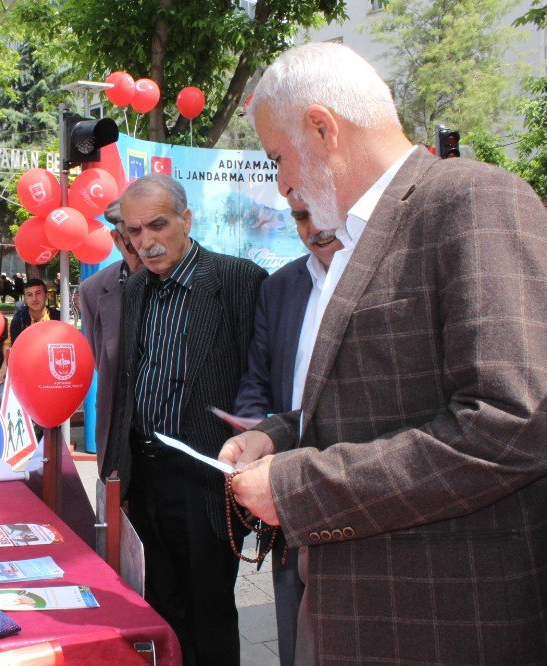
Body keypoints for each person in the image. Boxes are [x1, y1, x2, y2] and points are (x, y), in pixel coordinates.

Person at [218, 42, 547, 664]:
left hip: (445, 628)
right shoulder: (358, 236)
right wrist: (278, 437)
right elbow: (377, 402)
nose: (281, 182)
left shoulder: (473, 201)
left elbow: (512, 424)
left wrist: (297, 488)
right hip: (363, 619)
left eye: (277, 159)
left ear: (323, 127)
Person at [101, 174, 266, 666]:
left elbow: (259, 383)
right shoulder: (134, 291)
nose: (145, 242)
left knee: (209, 612)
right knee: (159, 609)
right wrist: (118, 474)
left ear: (186, 220)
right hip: (145, 477)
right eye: (134, 231)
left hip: (206, 481)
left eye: (157, 225)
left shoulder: (237, 281)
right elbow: (127, 389)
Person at [231, 197, 343, 666]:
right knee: (294, 642)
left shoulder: (385, 275)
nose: (314, 226)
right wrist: (259, 436)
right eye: (300, 216)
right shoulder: (279, 288)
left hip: (354, 488)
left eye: (324, 213)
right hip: (283, 495)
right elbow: (258, 380)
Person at [78, 199, 143, 473]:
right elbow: (99, 360)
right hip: (120, 433)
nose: (144, 248)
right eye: (132, 241)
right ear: (116, 239)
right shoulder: (94, 289)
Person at [8, 278, 59, 342]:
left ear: (46, 296)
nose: (34, 299)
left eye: (38, 293)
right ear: (25, 300)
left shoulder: (58, 318)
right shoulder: (18, 321)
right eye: (29, 295)